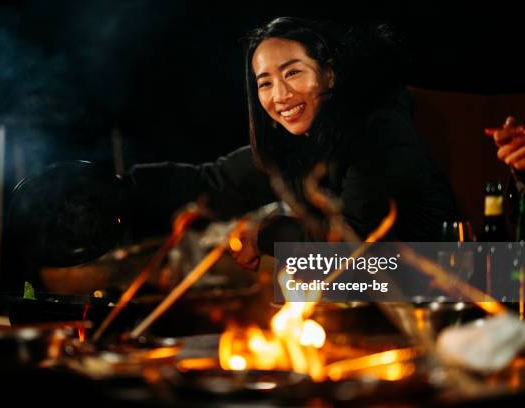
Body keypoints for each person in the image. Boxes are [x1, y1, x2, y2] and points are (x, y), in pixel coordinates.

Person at [126, 17, 457, 269]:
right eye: (265, 82)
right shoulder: (296, 143)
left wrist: (264, 234)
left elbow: (358, 255)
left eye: (293, 72)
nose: (280, 95)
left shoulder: (378, 130)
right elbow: (211, 182)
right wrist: (118, 188)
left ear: (329, 74)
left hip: (448, 285)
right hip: (374, 300)